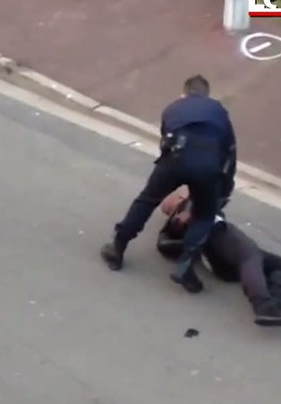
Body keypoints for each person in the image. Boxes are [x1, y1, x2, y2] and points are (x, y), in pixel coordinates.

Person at [100, 75, 238, 293]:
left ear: (184, 93)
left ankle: (118, 246)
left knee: (146, 201)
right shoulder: (219, 112)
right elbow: (229, 152)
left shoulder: (173, 108)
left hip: (175, 159)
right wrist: (223, 188)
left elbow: (166, 139)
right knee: (204, 215)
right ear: (207, 95)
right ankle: (185, 263)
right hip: (208, 166)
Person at [155, 188, 281, 326]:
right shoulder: (187, 211)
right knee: (249, 255)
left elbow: (165, 244)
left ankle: (277, 299)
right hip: (221, 239)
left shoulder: (179, 224)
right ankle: (263, 305)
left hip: (223, 262)